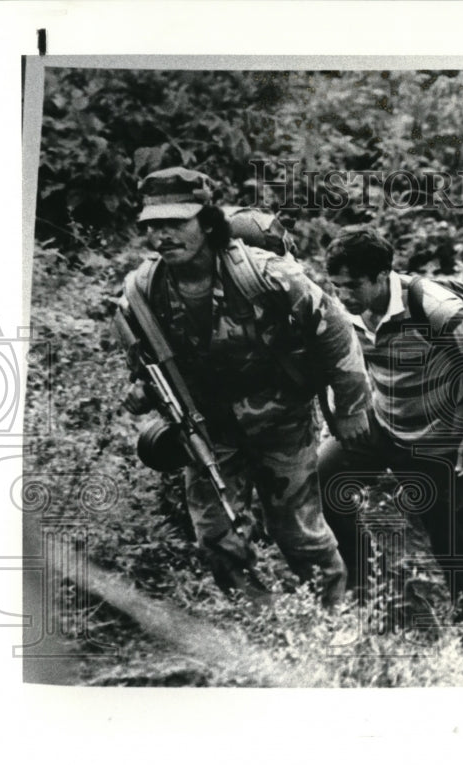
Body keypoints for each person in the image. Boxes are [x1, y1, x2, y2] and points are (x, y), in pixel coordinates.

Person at [118, 167, 371, 606]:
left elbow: (335, 331)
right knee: (216, 537)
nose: (163, 236)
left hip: (281, 419)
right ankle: (260, 623)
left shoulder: (263, 273)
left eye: (176, 223)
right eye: (154, 226)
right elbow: (144, 357)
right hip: (208, 426)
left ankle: (334, 617)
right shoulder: (143, 288)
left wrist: (350, 408)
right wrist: (143, 390)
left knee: (297, 530)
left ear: (209, 222)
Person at [318, 225, 463, 622]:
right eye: (336, 285)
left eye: (352, 286)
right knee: (325, 473)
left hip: (437, 438)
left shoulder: (434, 307)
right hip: (382, 420)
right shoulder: (343, 311)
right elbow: (344, 367)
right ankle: (368, 589)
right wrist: (338, 416)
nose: (344, 295)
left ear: (382, 276)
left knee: (454, 540)